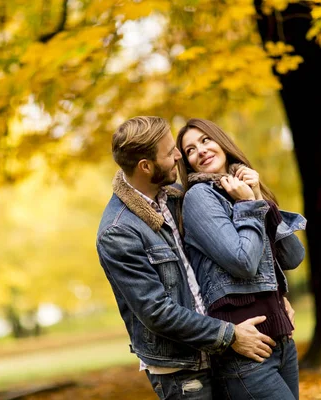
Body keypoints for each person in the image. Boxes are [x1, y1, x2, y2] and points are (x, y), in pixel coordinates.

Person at [97, 116, 277, 400]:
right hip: (183, 371)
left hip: (222, 353)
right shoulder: (118, 232)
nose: (180, 156)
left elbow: (224, 257)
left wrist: (277, 296)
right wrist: (230, 335)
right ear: (146, 166)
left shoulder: (175, 198)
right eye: (170, 153)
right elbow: (156, 312)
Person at [176, 118, 307, 400]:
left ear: (221, 142)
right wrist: (248, 205)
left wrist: (259, 198)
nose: (200, 150)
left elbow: (293, 256)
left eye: (205, 140)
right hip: (245, 353)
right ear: (187, 163)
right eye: (190, 150)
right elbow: (243, 263)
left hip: (282, 341)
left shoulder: (246, 190)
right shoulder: (199, 197)